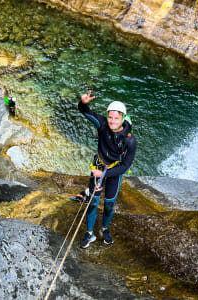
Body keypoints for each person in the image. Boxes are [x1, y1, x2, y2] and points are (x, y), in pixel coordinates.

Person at [78, 90, 136, 248]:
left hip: (114, 172)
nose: (112, 121)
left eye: (116, 118)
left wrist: (104, 175)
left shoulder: (129, 140)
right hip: (99, 166)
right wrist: (83, 103)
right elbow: (86, 112)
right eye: (110, 117)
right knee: (93, 202)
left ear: (123, 118)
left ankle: (104, 228)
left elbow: (125, 166)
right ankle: (90, 234)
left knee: (109, 203)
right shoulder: (102, 124)